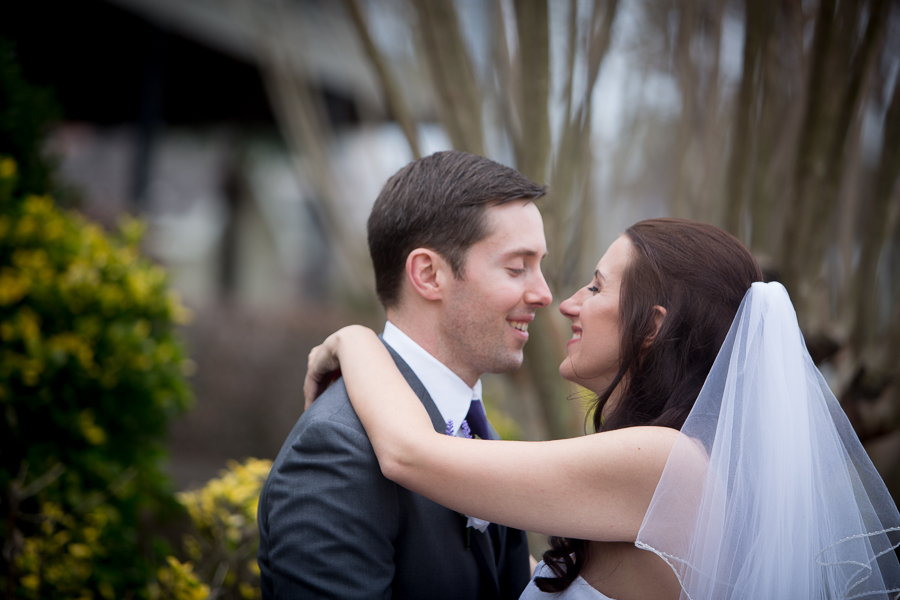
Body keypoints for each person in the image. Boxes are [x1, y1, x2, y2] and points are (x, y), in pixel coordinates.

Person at [304, 218, 900, 599]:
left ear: (651, 329)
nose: (565, 304)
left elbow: (410, 453)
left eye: (595, 287)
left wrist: (355, 340)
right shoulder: (683, 467)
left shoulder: (663, 464)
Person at [257, 151, 552, 599]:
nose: (544, 293)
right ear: (429, 274)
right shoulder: (336, 453)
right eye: (517, 267)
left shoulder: (473, 428)